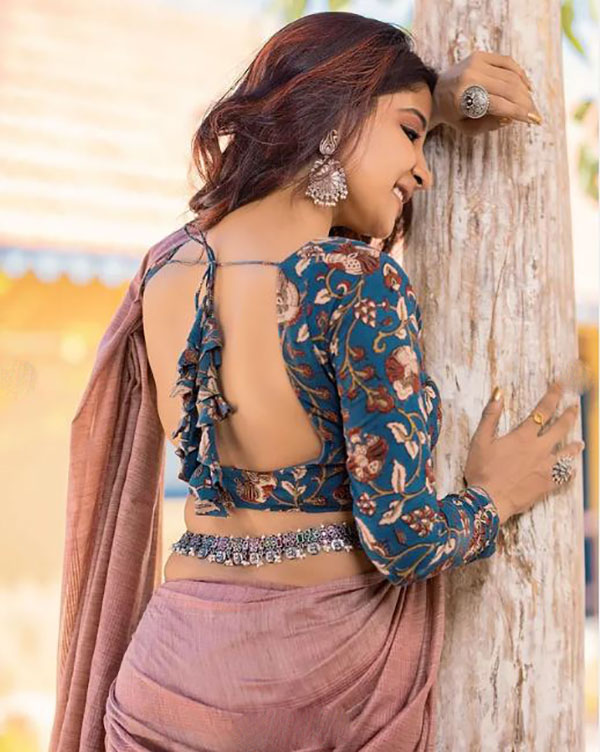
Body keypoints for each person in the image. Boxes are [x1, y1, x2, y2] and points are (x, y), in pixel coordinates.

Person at [49, 11, 583, 752]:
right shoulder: (353, 284)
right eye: (410, 135)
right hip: (313, 685)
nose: (424, 169)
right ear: (335, 117)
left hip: (165, 678)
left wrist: (424, 102)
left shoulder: (165, 267)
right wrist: (495, 496)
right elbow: (402, 543)